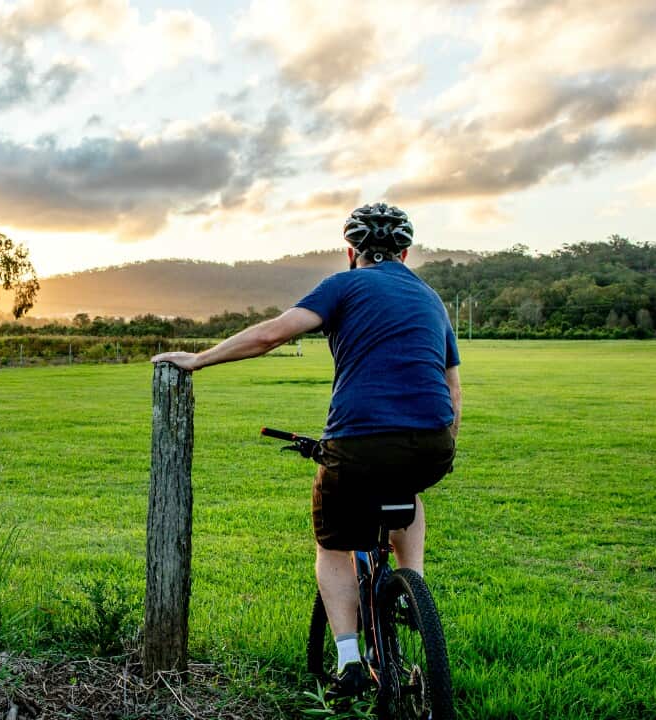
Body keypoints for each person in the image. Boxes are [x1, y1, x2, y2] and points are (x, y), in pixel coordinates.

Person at [150, 202, 461, 697]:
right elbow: (452, 386)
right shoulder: (431, 299)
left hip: (358, 442)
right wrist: (445, 444)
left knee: (333, 541)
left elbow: (272, 334)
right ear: (405, 253)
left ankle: (349, 663)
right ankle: (411, 584)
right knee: (409, 490)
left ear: (350, 252)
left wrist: (200, 359)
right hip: (434, 441)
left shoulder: (343, 285)